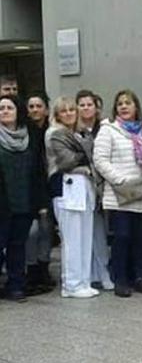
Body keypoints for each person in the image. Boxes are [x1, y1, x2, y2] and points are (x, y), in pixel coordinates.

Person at [92, 90, 142, 298]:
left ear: (136, 107)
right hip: (119, 194)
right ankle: (120, 279)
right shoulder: (108, 130)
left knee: (141, 237)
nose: (124, 106)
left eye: (128, 103)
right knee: (122, 236)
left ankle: (141, 277)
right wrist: (120, 180)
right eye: (120, 103)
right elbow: (101, 160)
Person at [45, 96, 99, 298]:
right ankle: (71, 284)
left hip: (83, 187)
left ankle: (83, 281)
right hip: (65, 188)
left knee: (85, 236)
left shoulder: (79, 133)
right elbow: (66, 161)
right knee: (72, 239)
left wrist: (84, 158)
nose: (68, 113)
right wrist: (84, 155)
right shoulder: (55, 134)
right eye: (63, 111)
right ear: (57, 114)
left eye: (71, 110)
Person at [0, 95, 47, 301]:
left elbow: (38, 171)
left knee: (17, 245)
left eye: (9, 107)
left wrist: (41, 202)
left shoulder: (32, 136)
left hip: (24, 201)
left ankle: (16, 285)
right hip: (2, 202)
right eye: (1, 108)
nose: (4, 111)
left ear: (18, 110)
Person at [76, 89, 113, 290]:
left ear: (96, 107)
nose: (86, 108)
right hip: (84, 185)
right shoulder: (73, 130)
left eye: (89, 104)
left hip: (105, 186)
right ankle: (88, 274)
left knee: (100, 233)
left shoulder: (106, 128)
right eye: (82, 105)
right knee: (84, 233)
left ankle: (105, 272)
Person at [24, 92, 54, 296]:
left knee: (47, 231)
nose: (35, 110)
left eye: (38, 106)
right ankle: (32, 271)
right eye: (31, 106)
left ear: (46, 108)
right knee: (32, 232)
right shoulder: (25, 131)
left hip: (51, 188)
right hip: (30, 189)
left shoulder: (52, 130)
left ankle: (44, 270)